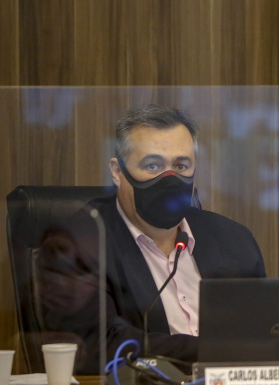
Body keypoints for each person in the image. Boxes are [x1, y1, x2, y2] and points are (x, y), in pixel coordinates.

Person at [37, 104, 266, 373]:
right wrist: (210, 350)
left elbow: (264, 334)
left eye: (181, 165)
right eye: (153, 165)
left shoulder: (233, 239)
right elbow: (99, 346)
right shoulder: (77, 245)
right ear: (117, 171)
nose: (169, 179)